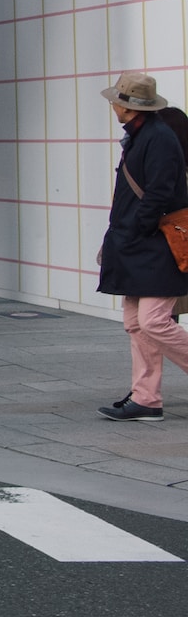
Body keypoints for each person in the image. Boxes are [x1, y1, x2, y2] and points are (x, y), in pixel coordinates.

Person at [96, 73, 188, 421]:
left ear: (128, 106)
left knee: (152, 321)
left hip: (155, 244)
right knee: (135, 322)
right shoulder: (140, 136)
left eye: (116, 101)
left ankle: (146, 397)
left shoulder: (158, 138)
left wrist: (132, 231)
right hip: (137, 244)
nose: (113, 106)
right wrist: (116, 240)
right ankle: (147, 399)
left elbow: (159, 195)